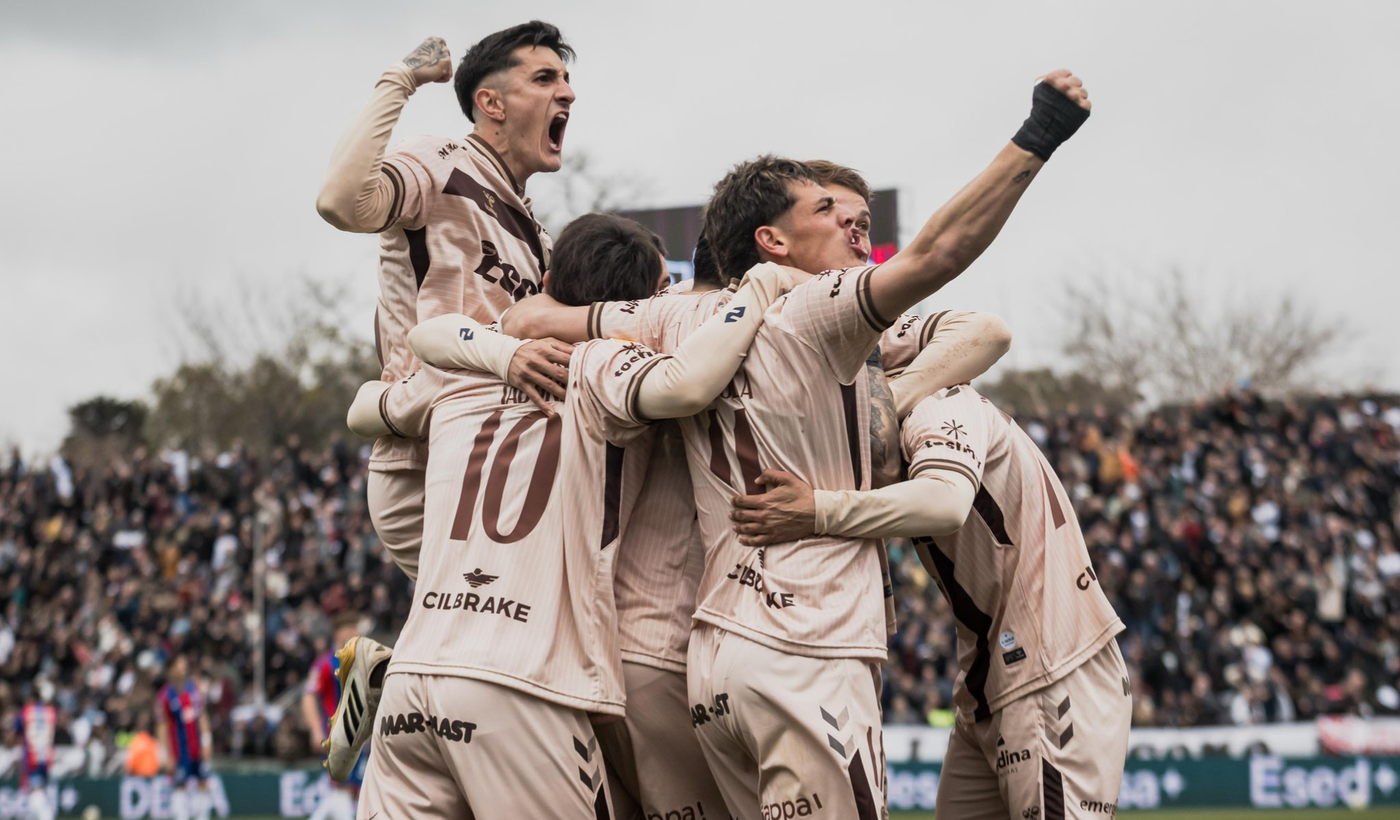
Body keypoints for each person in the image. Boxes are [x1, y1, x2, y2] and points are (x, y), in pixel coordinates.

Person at [344, 213, 796, 819]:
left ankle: (389, 663)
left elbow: (371, 403)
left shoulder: (460, 370)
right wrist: (761, 290)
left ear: (549, 277)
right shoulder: (602, 365)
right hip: (523, 686)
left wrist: (500, 350)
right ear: (636, 310)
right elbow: (687, 386)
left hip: (415, 678)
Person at [314, 20, 578, 780]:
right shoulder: (445, 161)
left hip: (494, 461)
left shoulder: (535, 230)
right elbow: (341, 200)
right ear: (489, 103)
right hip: (428, 461)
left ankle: (390, 674)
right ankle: (399, 680)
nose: (566, 93)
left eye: (567, 82)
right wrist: (399, 81)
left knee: (524, 647)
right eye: (545, 79)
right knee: (515, 667)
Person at [729, 378, 1130, 820]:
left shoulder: (937, 409)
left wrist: (819, 511)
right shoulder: (904, 419)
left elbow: (945, 504)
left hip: (1052, 670)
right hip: (986, 682)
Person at [301, 614, 368, 820]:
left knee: (355, 791)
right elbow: (309, 695)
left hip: (363, 737)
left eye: (354, 627)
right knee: (344, 789)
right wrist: (315, 729)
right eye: (348, 628)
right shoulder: (326, 663)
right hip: (338, 735)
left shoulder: (365, 661)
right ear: (337, 633)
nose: (352, 633)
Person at [156, 655, 213, 820]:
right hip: (179, 749)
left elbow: (202, 715)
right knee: (180, 785)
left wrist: (207, 741)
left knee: (203, 781)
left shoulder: (193, 688)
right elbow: (162, 725)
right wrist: (166, 754)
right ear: (171, 669)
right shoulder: (165, 695)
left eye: (184, 664)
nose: (183, 668)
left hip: (197, 746)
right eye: (179, 665)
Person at [16, 681, 57, 820]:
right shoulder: (50, 711)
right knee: (39, 791)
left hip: (31, 757)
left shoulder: (26, 711)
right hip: (45, 757)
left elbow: (16, 729)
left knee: (35, 792)